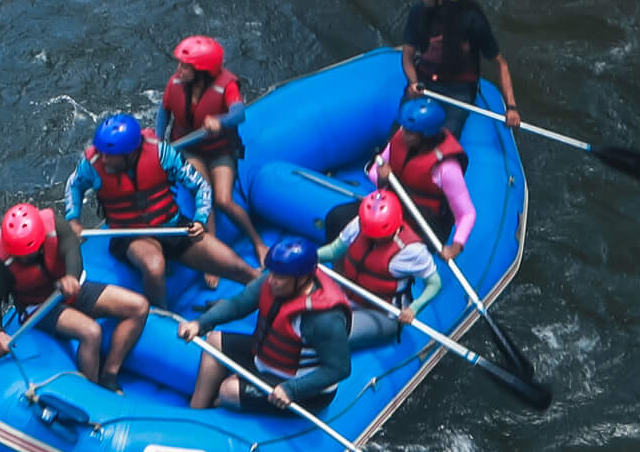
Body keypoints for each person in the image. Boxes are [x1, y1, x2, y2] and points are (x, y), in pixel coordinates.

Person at [63, 113, 259, 311]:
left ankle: (267, 302)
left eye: (110, 155)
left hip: (172, 226)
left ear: (130, 153)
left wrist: (200, 220)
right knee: (154, 266)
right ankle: (163, 314)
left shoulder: (161, 153)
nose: (103, 159)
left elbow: (200, 187)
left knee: (239, 268)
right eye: (102, 152)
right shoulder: (92, 164)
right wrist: (73, 220)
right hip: (130, 235)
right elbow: (73, 186)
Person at [0, 203, 148, 391]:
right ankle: (93, 391)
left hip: (71, 290)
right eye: (18, 256)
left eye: (27, 255)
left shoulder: (55, 226)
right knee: (91, 333)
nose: (23, 260)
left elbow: (71, 248)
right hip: (39, 307)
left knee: (139, 306)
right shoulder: (1, 260)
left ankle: (109, 375)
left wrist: (71, 276)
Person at [175, 235, 353, 412]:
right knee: (213, 340)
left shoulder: (323, 318)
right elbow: (238, 305)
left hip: (304, 386)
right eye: (272, 272)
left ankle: (224, 402)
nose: (272, 280)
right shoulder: (272, 281)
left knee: (228, 390)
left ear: (302, 278)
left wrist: (292, 390)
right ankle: (195, 411)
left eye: (281, 277)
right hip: (266, 358)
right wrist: (200, 323)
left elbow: (339, 369)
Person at [157, 35, 262, 267]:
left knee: (223, 199)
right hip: (189, 148)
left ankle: (257, 243)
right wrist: (157, 140)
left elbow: (239, 113)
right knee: (203, 192)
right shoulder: (175, 82)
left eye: (185, 66)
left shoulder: (227, 85)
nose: (178, 69)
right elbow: (164, 112)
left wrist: (220, 121)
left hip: (219, 149)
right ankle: (213, 257)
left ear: (202, 70)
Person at [401, 0, 521, 135]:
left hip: (458, 89)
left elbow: (500, 64)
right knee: (403, 129)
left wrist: (511, 107)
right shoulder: (418, 12)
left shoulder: (473, 21)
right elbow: (407, 56)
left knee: (444, 138)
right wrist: (414, 82)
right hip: (424, 80)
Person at [316, 190, 440, 350]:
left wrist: (414, 308)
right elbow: (334, 251)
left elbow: (434, 283)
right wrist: (308, 256)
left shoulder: (412, 251)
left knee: (329, 335)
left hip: (382, 313)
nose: (373, 238)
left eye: (379, 235)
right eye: (370, 234)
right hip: (346, 294)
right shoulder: (360, 224)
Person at [363, 97, 476, 254]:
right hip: (392, 210)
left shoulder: (446, 167)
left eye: (410, 132)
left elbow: (467, 214)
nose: (403, 134)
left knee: (390, 253)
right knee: (338, 217)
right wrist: (382, 177)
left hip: (424, 224)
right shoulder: (399, 141)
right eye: (404, 128)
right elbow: (374, 172)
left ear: (426, 135)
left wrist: (456, 247)